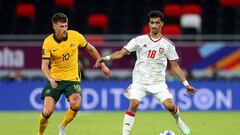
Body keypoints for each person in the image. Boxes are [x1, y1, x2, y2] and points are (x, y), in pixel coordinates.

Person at [95, 10, 196, 135]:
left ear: (162, 24)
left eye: (157, 23)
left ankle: (178, 120)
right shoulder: (138, 40)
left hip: (158, 83)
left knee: (170, 106)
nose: (154, 25)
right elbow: (121, 53)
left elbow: (175, 66)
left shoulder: (168, 44)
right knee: (134, 104)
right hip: (140, 82)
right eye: (152, 22)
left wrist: (186, 84)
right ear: (149, 24)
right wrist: (105, 58)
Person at [38, 13, 110, 135]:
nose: (64, 29)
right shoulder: (48, 42)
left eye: (66, 26)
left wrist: (103, 65)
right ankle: (40, 133)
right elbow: (44, 65)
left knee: (76, 103)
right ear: (54, 26)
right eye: (61, 26)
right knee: (47, 111)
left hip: (72, 79)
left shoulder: (75, 36)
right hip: (55, 79)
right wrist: (50, 78)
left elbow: (91, 49)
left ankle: (62, 126)